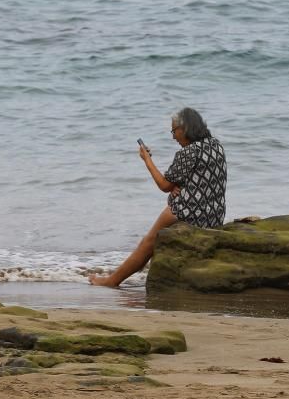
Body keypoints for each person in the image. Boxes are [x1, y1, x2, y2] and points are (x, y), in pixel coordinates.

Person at [89, 108, 227, 287]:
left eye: (174, 131)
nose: (173, 136)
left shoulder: (188, 152)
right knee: (154, 239)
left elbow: (164, 185)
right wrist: (176, 187)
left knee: (148, 242)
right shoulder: (216, 145)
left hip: (190, 211)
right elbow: (197, 179)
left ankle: (111, 281)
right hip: (215, 215)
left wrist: (147, 159)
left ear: (184, 129)